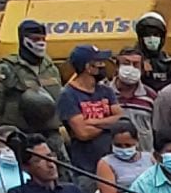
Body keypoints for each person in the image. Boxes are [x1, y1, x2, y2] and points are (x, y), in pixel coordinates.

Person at [53, 44, 129, 174]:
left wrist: (91, 122)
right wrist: (110, 124)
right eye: (99, 62)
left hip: (115, 164)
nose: (104, 66)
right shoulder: (68, 95)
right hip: (87, 169)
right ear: (89, 67)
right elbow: (83, 133)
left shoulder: (106, 90)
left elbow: (122, 119)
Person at [0, 19, 60, 142]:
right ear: (24, 40)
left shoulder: (50, 68)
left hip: (50, 134)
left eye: (42, 39)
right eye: (35, 39)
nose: (40, 43)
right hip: (21, 134)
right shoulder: (7, 69)